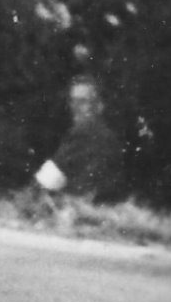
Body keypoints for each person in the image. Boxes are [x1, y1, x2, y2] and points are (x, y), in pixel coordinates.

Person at [33, 77, 127, 208]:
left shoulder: (84, 133)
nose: (75, 108)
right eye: (73, 101)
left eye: (83, 102)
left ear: (99, 106)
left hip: (79, 213)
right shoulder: (110, 137)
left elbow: (44, 185)